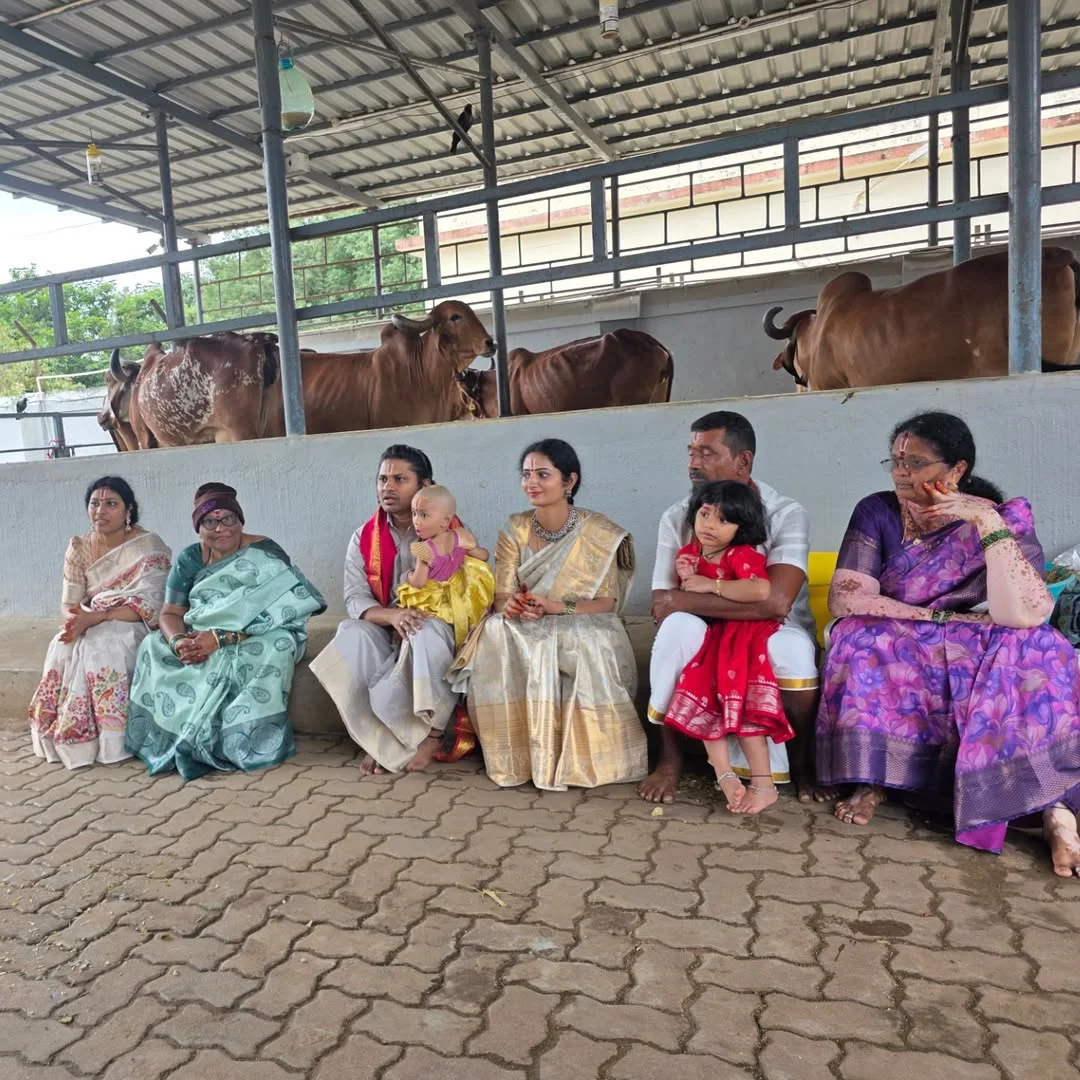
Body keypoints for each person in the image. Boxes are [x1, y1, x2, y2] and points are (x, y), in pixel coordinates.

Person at [817, 411, 1080, 877]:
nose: (901, 472)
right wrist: (938, 617)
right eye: (895, 460)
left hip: (980, 630)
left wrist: (985, 521)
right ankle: (876, 780)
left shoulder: (1000, 514)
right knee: (856, 638)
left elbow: (1025, 612)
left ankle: (1055, 813)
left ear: (955, 470)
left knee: (1042, 647)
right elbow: (847, 596)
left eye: (915, 462)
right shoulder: (876, 510)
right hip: (905, 626)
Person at [643, 411, 821, 804]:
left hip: (776, 627)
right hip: (707, 626)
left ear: (743, 461)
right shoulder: (678, 516)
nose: (693, 463)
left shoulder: (786, 513)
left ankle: (802, 763)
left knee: (790, 650)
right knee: (677, 631)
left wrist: (688, 597)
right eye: (690, 452)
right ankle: (669, 760)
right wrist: (684, 603)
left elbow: (776, 601)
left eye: (706, 452)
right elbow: (661, 603)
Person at [450, 438, 647, 791]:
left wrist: (559, 608)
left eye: (543, 474)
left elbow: (607, 603)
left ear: (569, 481)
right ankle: (519, 756)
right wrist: (512, 607)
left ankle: (585, 760)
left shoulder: (597, 531)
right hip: (529, 619)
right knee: (496, 632)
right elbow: (504, 594)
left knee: (575, 638)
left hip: (583, 619)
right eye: (526, 475)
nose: (532, 483)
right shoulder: (515, 528)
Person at [125, 483, 325, 780]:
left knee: (278, 645)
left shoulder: (265, 551)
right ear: (198, 528)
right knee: (153, 645)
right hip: (200, 635)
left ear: (240, 520)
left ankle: (247, 740)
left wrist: (220, 638)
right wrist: (179, 641)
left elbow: (283, 610)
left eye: (228, 519)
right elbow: (170, 613)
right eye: (210, 521)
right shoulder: (190, 559)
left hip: (259, 635)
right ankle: (175, 734)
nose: (221, 529)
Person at [310, 446, 482, 775]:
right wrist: (392, 616)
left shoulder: (451, 536)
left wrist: (417, 616)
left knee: (423, 630)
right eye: (382, 479)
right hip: (389, 623)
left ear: (424, 485)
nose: (388, 487)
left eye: (400, 479)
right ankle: (380, 737)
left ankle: (430, 736)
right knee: (351, 632)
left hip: (437, 626)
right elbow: (355, 598)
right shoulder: (364, 537)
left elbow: (469, 589)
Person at [665, 480, 794, 813]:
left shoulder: (741, 554)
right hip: (716, 636)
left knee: (743, 697)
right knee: (704, 693)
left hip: (744, 635)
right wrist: (687, 575)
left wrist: (712, 585)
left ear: (742, 527)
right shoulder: (690, 554)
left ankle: (764, 784)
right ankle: (725, 776)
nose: (709, 524)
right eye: (705, 514)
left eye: (723, 520)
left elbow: (761, 591)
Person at [29, 477, 171, 769]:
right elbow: (69, 603)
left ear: (128, 510)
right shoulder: (79, 548)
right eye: (95, 504)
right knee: (62, 645)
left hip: (132, 621)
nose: (100, 511)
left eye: (111, 504)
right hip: (91, 618)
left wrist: (99, 617)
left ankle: (113, 742)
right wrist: (75, 622)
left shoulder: (147, 545)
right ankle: (73, 739)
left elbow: (154, 604)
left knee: (103, 646)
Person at [397, 485, 495, 648]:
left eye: (424, 515)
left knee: (407, 597)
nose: (416, 521)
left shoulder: (424, 549)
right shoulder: (461, 536)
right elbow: (484, 556)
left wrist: (408, 576)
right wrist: (473, 549)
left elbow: (419, 582)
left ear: (445, 521)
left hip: (435, 603)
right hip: (461, 596)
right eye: (414, 513)